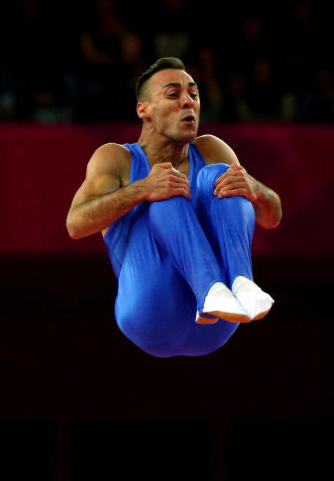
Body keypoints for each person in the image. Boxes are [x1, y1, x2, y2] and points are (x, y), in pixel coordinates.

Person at [66, 57, 282, 357]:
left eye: (194, 95)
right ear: (144, 110)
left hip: (220, 320)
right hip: (152, 311)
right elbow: (75, 225)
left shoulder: (211, 150)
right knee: (166, 191)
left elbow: (272, 217)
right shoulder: (116, 159)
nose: (188, 103)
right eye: (173, 94)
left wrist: (255, 189)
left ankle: (239, 282)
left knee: (220, 176)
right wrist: (142, 189)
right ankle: (209, 287)